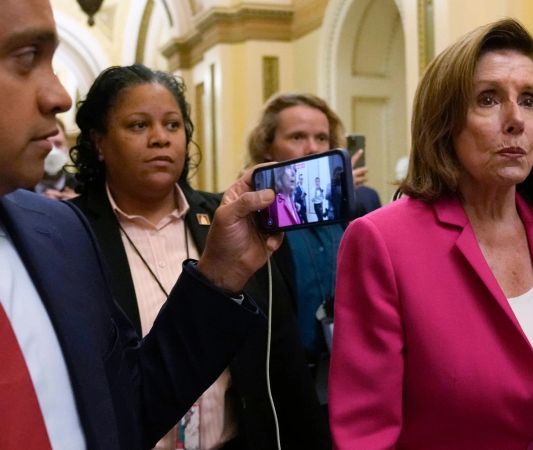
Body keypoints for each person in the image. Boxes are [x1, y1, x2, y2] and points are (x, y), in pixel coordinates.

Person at [0, 1, 279, 448]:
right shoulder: (84, 224)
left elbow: (129, 404)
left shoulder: (57, 235)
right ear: (100, 144)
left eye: (172, 124)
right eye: (26, 57)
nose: (59, 96)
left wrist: (220, 278)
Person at [329, 19, 533, 449]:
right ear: (444, 121)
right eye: (488, 99)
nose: (516, 120)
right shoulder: (382, 242)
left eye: (530, 101)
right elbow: (365, 435)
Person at [68, 64, 329, 449]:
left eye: (173, 126)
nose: (160, 139)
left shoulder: (232, 221)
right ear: (100, 142)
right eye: (139, 126)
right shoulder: (70, 233)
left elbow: (282, 360)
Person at [246, 93, 351, 404]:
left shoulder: (348, 212)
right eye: (297, 137)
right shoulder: (252, 218)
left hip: (343, 378)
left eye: (322, 137)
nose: (313, 148)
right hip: (282, 385)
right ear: (268, 146)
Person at [34, 118, 78, 200]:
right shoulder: (15, 189)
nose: (52, 151)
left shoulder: (83, 188)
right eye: (45, 144)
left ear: (67, 148)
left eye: (58, 144)